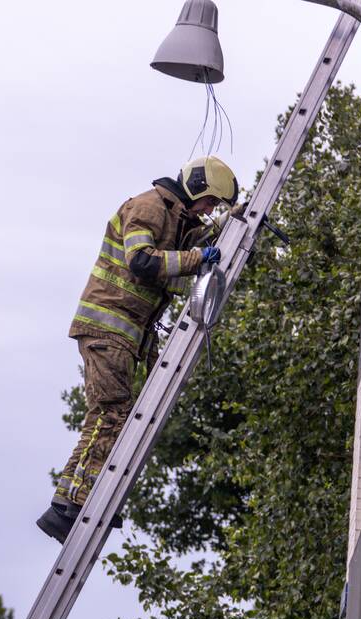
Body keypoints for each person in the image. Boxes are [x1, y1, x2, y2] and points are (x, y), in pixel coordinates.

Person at [37, 156, 239, 544]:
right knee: (111, 415)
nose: (210, 211)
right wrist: (198, 259)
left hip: (127, 335)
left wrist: (233, 223)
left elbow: (188, 248)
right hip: (108, 328)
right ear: (197, 188)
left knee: (109, 416)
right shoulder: (147, 207)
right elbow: (142, 261)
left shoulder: (178, 218)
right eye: (211, 202)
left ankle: (65, 506)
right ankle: (77, 505)